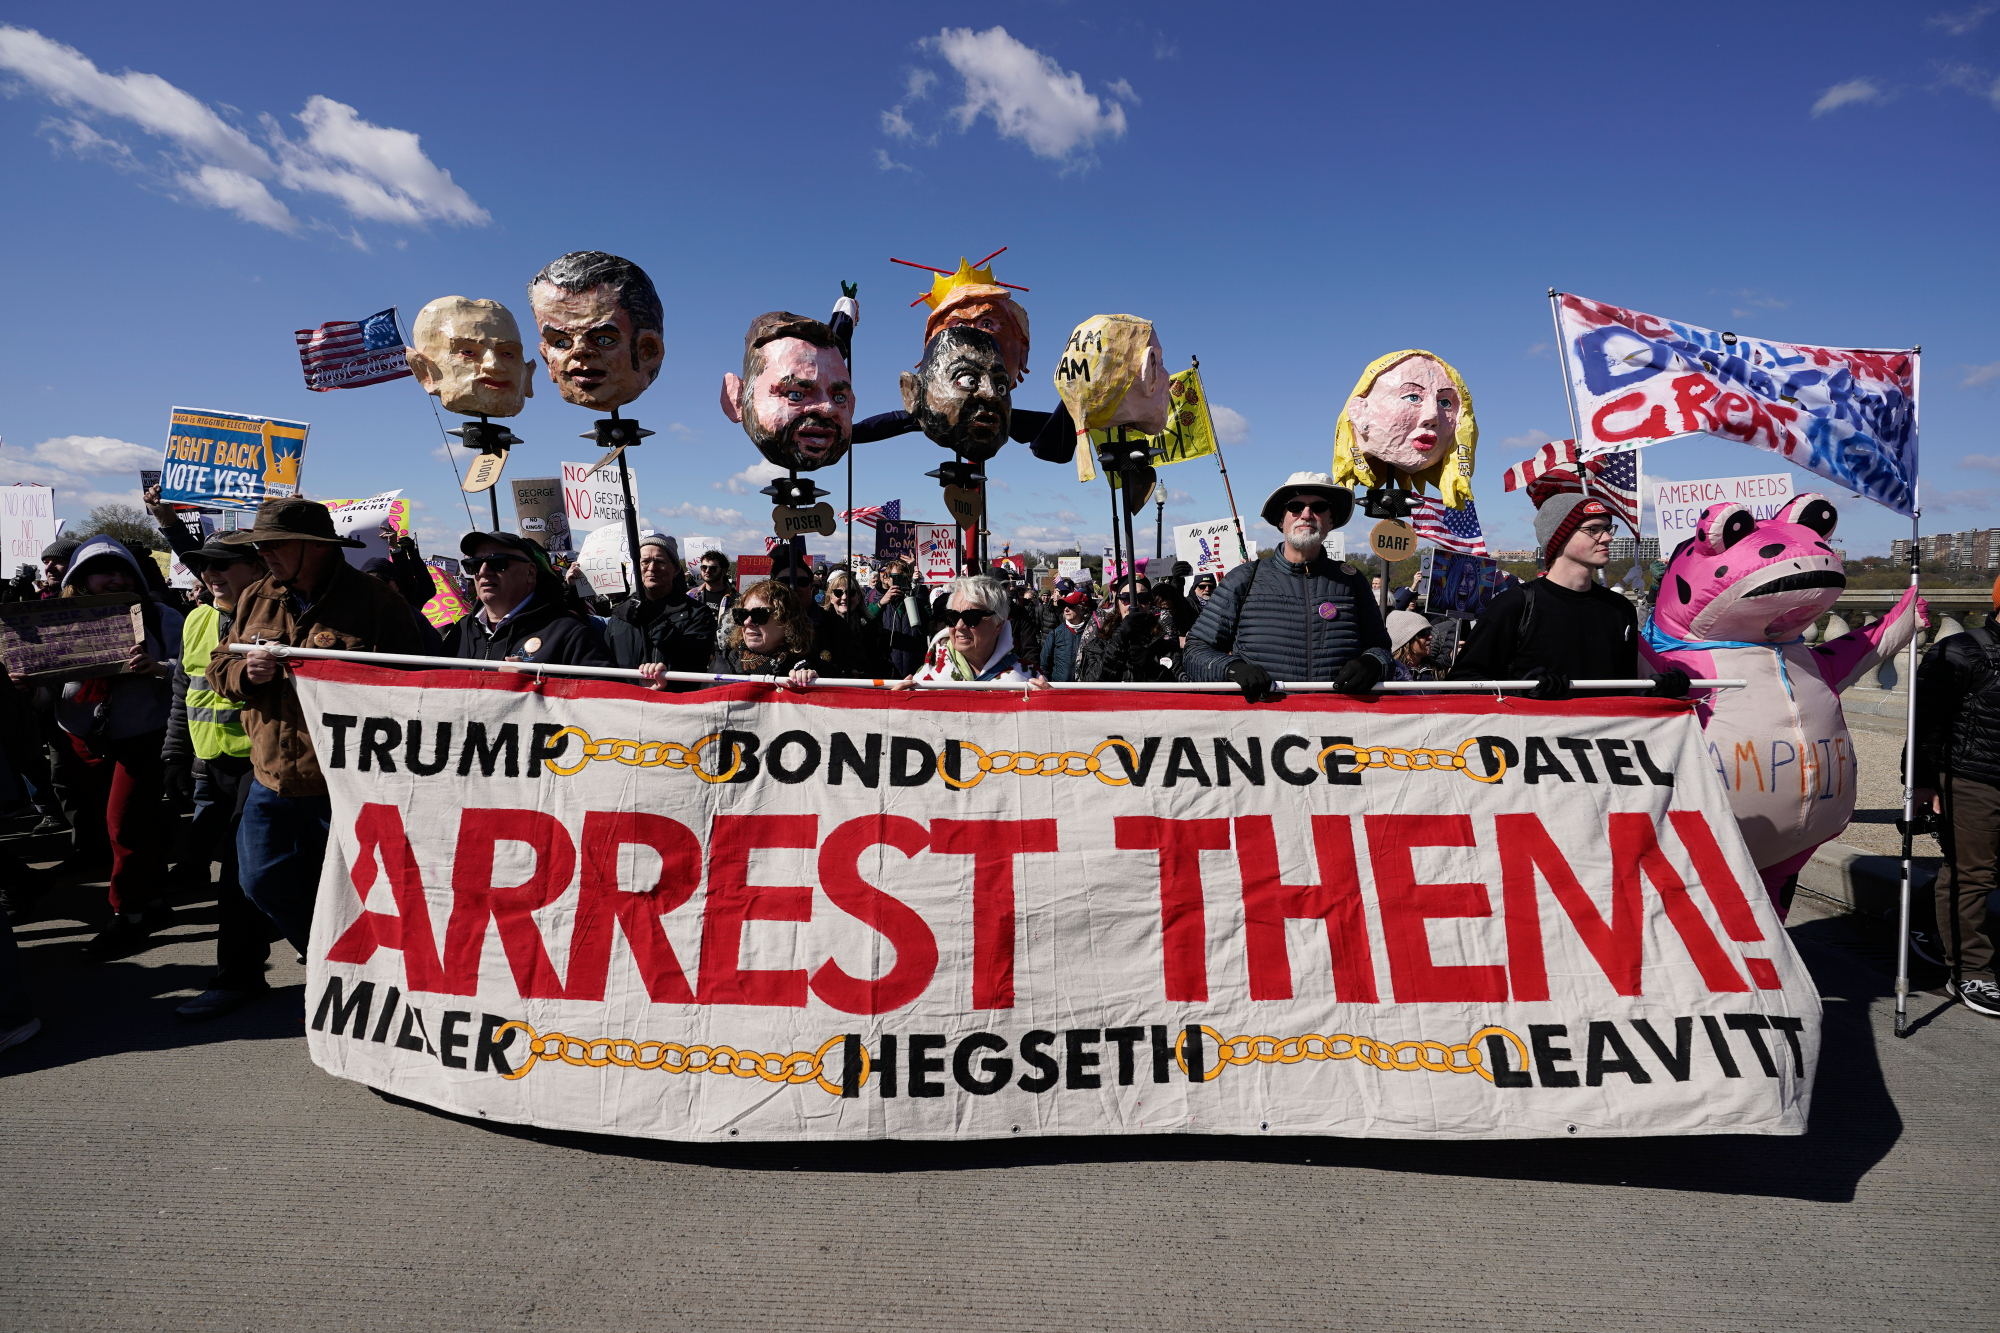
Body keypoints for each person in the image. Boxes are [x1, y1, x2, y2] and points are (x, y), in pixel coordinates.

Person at [207, 498, 437, 959]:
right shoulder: (255, 595)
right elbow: (219, 665)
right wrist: (243, 675)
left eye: (275, 544)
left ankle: (368, 972)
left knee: (368, 892)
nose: (264, 553)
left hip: (348, 781)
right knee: (260, 882)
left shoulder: (378, 603)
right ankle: (329, 957)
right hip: (272, 778)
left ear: (314, 547)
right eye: (260, 545)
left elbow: (419, 690)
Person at [160, 537, 280, 1017]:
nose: (211, 573)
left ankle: (242, 973)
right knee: (242, 876)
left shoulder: (278, 619)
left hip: (267, 766)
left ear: (258, 566)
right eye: (204, 566)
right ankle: (242, 973)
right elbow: (183, 690)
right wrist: (176, 754)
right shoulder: (196, 619)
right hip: (214, 766)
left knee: (247, 875)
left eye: (223, 564)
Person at [49, 536, 184, 956]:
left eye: (123, 570)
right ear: (81, 579)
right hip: (82, 737)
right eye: (104, 571)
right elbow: (48, 685)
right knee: (123, 828)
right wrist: (25, 685)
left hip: (143, 737)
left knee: (123, 824)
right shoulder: (58, 621)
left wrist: (161, 668)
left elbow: (197, 669)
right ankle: (155, 900)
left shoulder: (161, 617)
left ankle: (128, 917)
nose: (115, 578)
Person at [1449, 493, 1686, 699]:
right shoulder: (1515, 603)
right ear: (1559, 537)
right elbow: (1461, 682)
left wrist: (1655, 690)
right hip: (1532, 744)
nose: (1607, 538)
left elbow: (1624, 686)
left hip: (1607, 744)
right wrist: (1520, 693)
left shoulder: (1620, 608)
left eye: (1607, 528)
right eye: (1593, 529)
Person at [1184, 471, 1390, 700]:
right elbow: (1195, 652)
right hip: (1264, 724)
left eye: (1319, 507)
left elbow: (1381, 648)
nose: (1306, 514)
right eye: (1295, 506)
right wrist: (1231, 669)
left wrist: (1374, 662)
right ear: (1281, 520)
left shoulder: (1353, 580)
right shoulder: (1242, 579)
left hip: (1339, 722)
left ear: (1331, 521)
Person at [1911, 577, 2000, 1018]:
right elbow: (1924, 722)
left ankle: (1921, 921)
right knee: (1972, 873)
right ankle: (1971, 971)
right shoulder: (1961, 650)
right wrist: (1921, 782)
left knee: (1977, 868)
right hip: (1971, 778)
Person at [444, 532, 611, 666]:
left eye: (497, 562)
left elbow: (604, 701)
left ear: (530, 572)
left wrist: (534, 688)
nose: (483, 571)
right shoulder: (461, 630)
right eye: (474, 564)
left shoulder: (571, 634)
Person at [647, 578, 817, 688]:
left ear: (787, 621)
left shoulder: (808, 669)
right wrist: (658, 689)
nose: (747, 622)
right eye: (742, 615)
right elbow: (698, 715)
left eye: (759, 615)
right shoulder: (723, 664)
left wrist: (811, 689)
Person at [605, 533, 716, 675]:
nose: (652, 568)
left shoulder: (697, 614)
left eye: (660, 562)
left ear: (675, 569)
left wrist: (655, 622)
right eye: (645, 562)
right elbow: (607, 664)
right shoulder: (621, 613)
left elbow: (694, 661)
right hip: (627, 696)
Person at [902, 575, 1039, 685]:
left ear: (998, 625)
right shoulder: (922, 681)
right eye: (952, 616)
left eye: (972, 617)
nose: (959, 626)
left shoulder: (1029, 681)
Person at [814, 567, 891, 678]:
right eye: (838, 593)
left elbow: (881, 666)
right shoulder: (818, 627)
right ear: (831, 597)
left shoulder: (873, 628)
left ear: (859, 597)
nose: (844, 597)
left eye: (851, 592)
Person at [1040, 590, 1091, 682]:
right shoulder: (1055, 634)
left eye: (1070, 606)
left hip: (1084, 691)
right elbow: (1044, 666)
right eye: (1064, 605)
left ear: (1082, 609)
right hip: (1059, 691)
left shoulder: (1092, 634)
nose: (1066, 609)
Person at [1385, 609, 1438, 682]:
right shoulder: (1391, 673)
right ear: (1406, 640)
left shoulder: (1437, 670)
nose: (1430, 636)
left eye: (1429, 631)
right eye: (1424, 632)